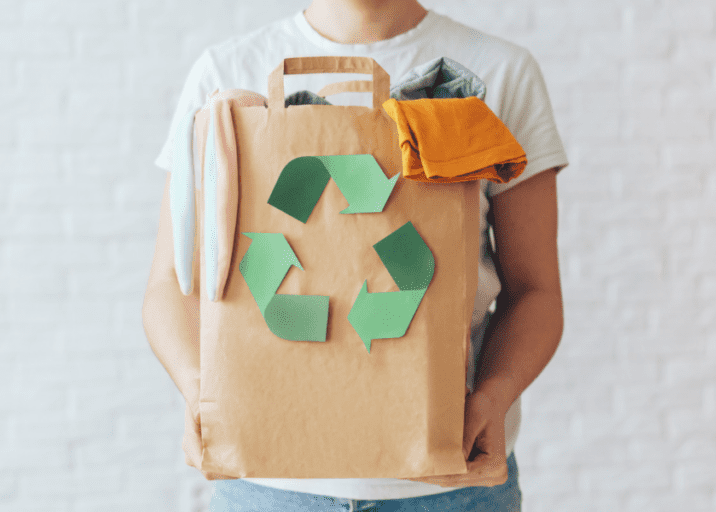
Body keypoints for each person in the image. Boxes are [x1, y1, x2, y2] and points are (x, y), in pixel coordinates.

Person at [142, 0, 567, 510]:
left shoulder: (498, 73)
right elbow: (170, 282)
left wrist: (493, 397)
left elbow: (534, 291)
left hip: (448, 486)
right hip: (267, 486)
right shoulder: (224, 73)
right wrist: (199, 393)